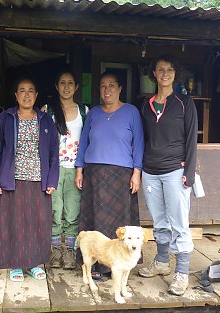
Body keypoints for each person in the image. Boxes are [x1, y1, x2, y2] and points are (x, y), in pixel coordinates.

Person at [0, 77, 59, 282]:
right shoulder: (6, 118)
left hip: (39, 179)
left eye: (31, 91)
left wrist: (52, 179)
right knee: (14, 222)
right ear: (16, 95)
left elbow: (54, 152)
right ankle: (15, 264)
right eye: (22, 91)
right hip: (12, 179)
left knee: (38, 223)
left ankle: (35, 263)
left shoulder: (45, 120)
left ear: (36, 96)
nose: (26, 95)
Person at [138, 55, 198, 296]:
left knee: (179, 222)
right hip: (150, 171)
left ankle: (181, 272)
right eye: (160, 69)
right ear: (154, 73)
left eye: (169, 69)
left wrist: (189, 172)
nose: (164, 73)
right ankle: (162, 262)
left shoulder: (184, 103)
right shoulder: (146, 105)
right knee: (159, 220)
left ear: (175, 74)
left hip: (176, 170)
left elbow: (192, 139)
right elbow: (142, 139)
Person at [75, 71, 144, 278]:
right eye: (103, 86)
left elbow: (138, 144)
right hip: (94, 172)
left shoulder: (131, 112)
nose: (107, 90)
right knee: (94, 219)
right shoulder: (94, 113)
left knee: (119, 221)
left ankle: (120, 264)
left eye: (112, 85)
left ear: (120, 88)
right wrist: (80, 169)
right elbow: (83, 142)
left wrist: (137, 172)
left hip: (121, 175)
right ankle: (95, 265)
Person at [42, 70, 88, 270]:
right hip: (54, 169)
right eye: (62, 83)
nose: (66, 87)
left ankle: (69, 251)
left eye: (71, 83)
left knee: (72, 212)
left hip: (75, 169)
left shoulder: (85, 111)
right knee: (54, 211)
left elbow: (88, 142)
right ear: (56, 86)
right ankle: (55, 251)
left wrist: (82, 168)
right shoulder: (47, 111)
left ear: (77, 86)